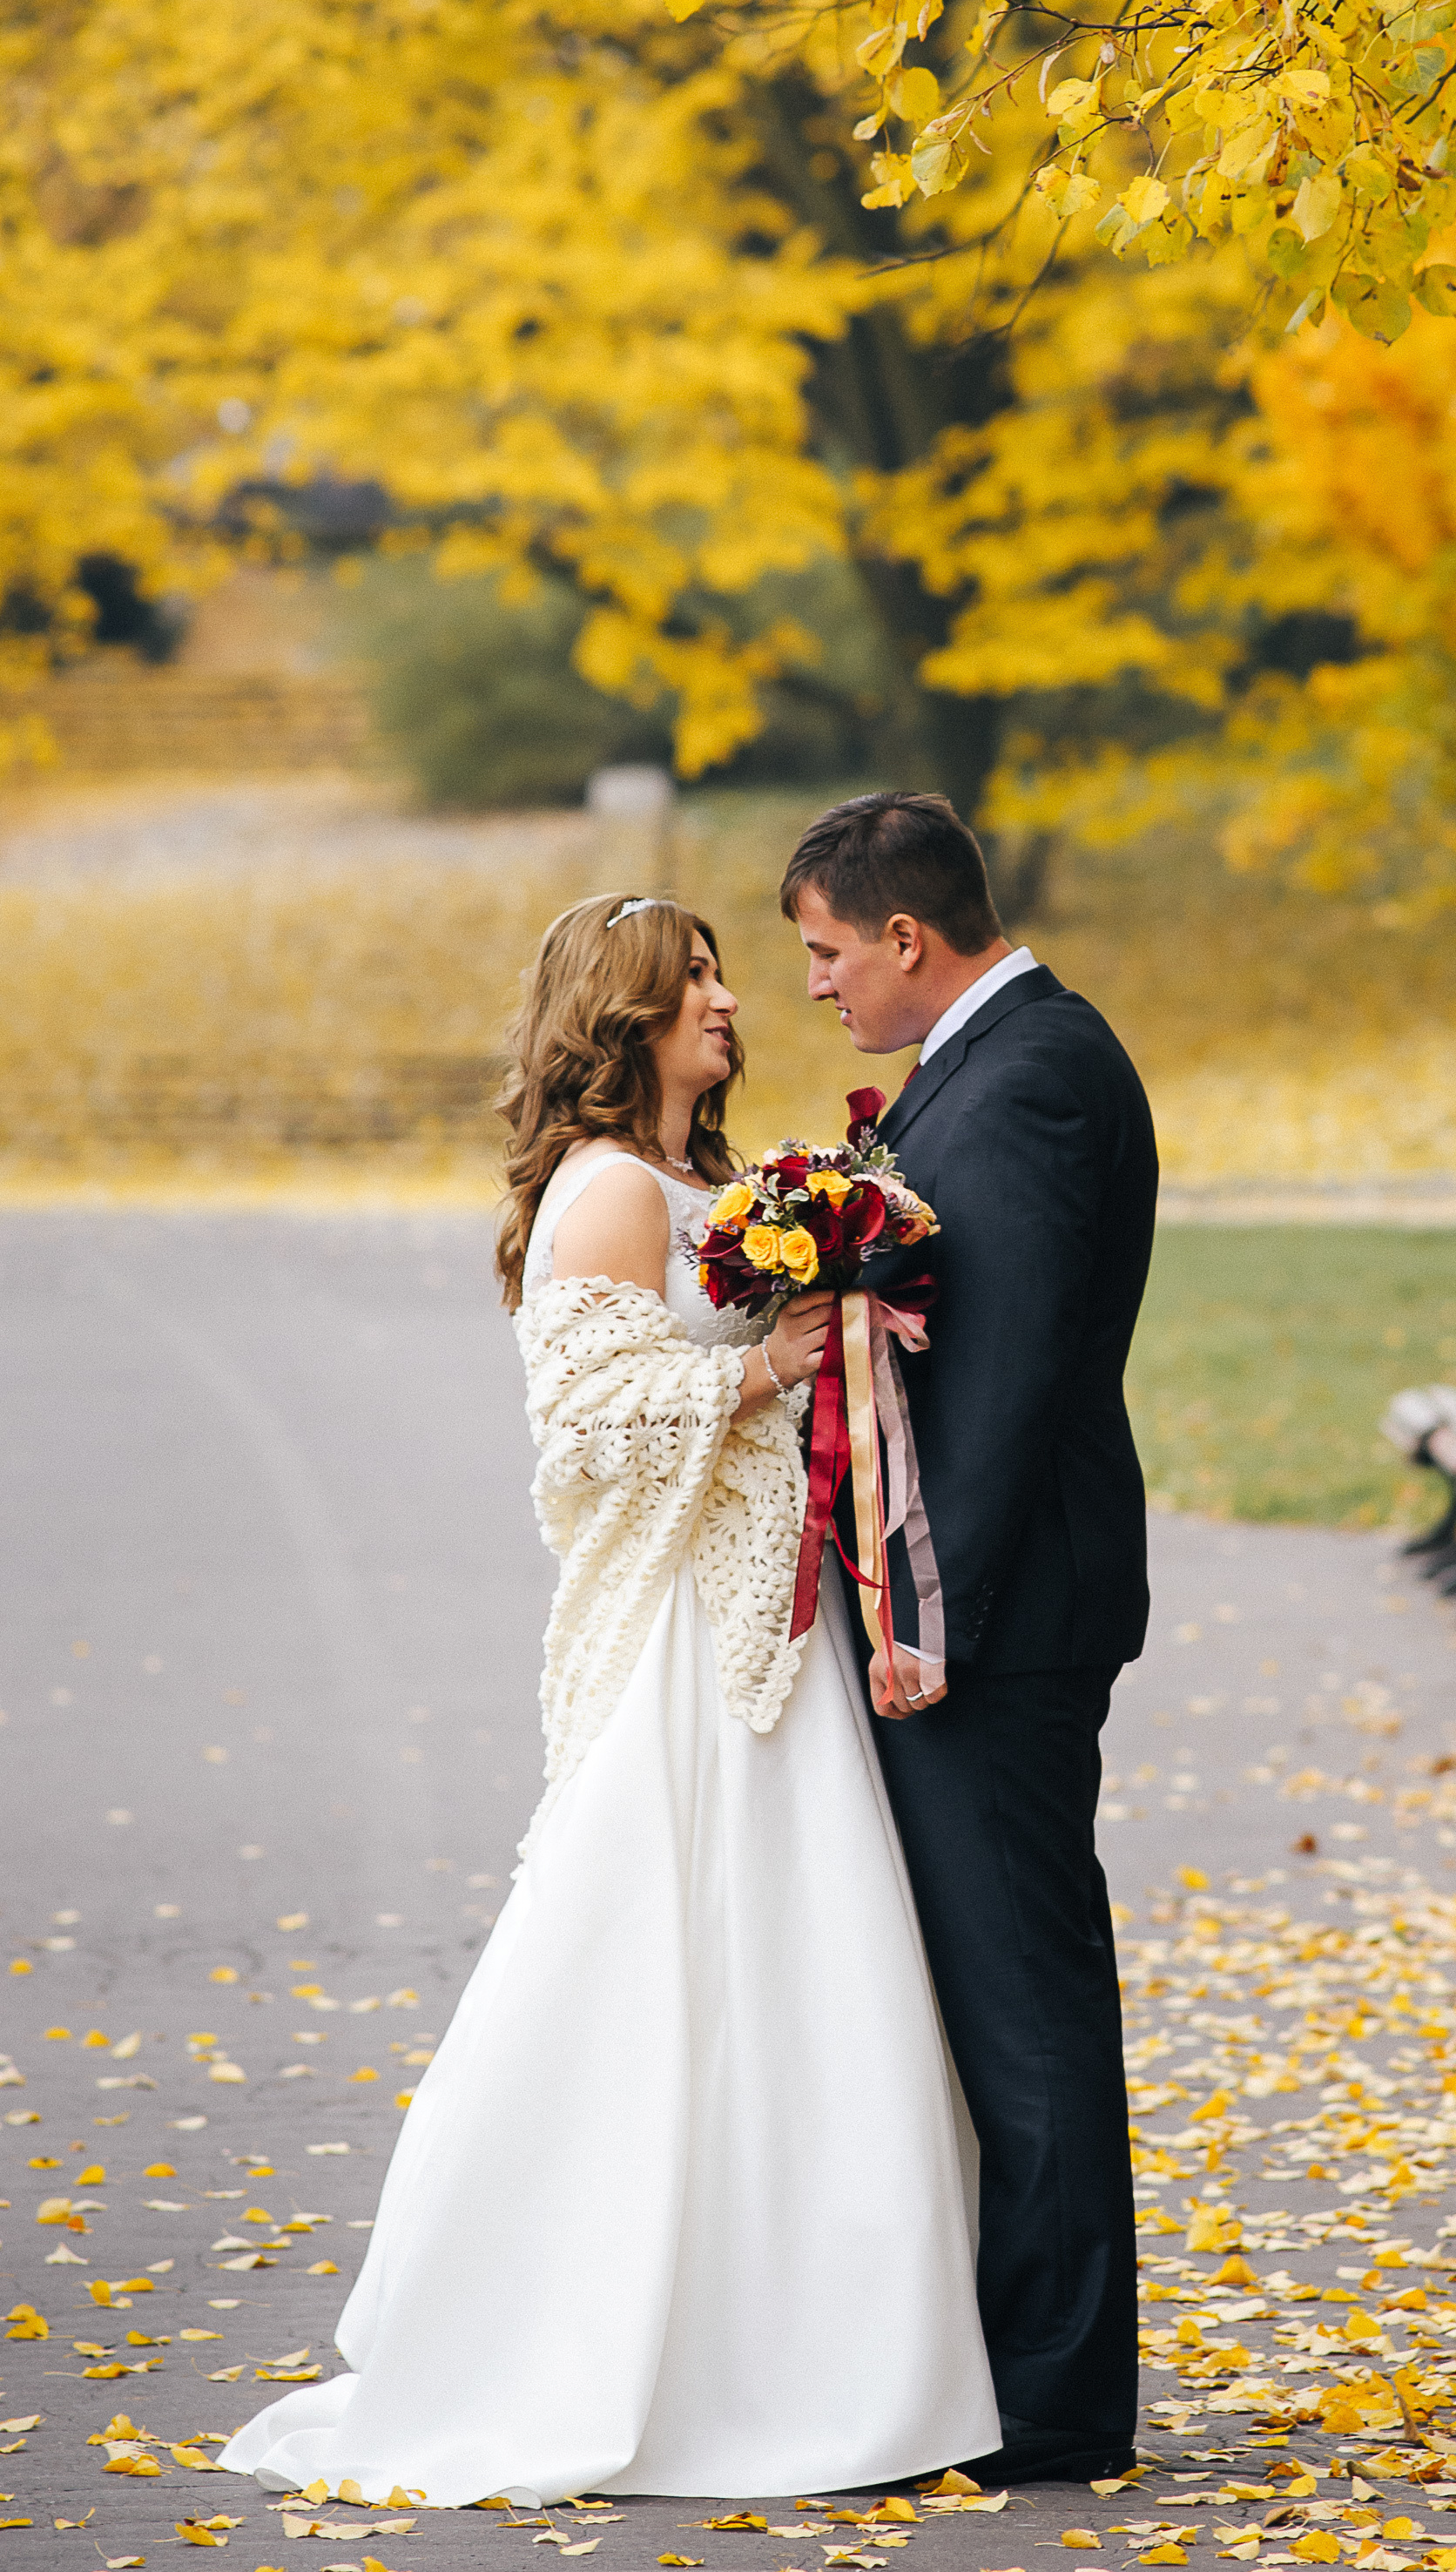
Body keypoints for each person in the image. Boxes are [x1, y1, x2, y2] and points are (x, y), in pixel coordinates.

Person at [219, 892, 999, 2508]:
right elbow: (580, 1432)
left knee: (804, 1974)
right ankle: (607, 2341)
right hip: (686, 1656)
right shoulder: (604, 1192)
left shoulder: (720, 1184)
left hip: (785, 1634)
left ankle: (812, 2337)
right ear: (622, 1017)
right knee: (666, 1962)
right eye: (694, 981)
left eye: (721, 974)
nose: (728, 1002)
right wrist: (762, 1370)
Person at [780, 793, 1161, 2488]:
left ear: (906, 938)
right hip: (1007, 1607)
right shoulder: (1005, 1061)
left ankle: (1060, 2397)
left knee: (1023, 1999)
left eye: (825, 950)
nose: (816, 987)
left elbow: (994, 1391)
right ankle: (1028, 2363)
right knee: (1007, 1991)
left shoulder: (1026, 1084)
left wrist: (924, 1622)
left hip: (998, 1624)